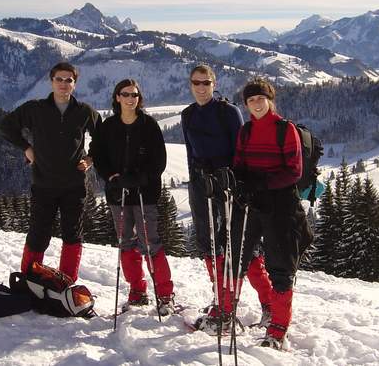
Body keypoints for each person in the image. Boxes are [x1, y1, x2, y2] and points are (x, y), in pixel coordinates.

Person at [181, 64, 273, 331]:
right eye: (196, 83)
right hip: (201, 183)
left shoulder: (228, 112)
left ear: (214, 84)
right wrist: (195, 183)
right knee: (208, 243)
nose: (201, 88)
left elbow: (241, 149)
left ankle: (267, 303)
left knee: (238, 245)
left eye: (206, 83)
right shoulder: (188, 114)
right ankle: (221, 298)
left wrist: (236, 183)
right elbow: (190, 152)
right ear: (190, 85)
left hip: (229, 183)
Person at [0, 62, 100, 282]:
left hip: (74, 185)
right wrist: (27, 148)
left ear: (75, 83)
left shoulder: (84, 111)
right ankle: (29, 280)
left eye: (69, 80)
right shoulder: (35, 109)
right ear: (51, 81)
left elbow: (102, 138)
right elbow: (6, 126)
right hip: (43, 183)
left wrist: (91, 157)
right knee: (38, 234)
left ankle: (67, 282)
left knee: (72, 235)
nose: (64, 84)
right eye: (59, 79)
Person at [233, 77, 312, 350]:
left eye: (260, 99)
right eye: (251, 100)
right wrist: (239, 183)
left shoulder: (284, 129)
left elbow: (294, 171)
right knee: (238, 257)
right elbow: (239, 164)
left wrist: (260, 184)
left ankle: (278, 328)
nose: (256, 104)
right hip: (253, 203)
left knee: (280, 268)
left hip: (281, 206)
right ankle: (228, 309)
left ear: (270, 100)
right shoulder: (245, 132)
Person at [89, 78, 175, 315]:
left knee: (150, 242)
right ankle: (137, 291)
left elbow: (159, 161)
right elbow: (98, 155)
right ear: (117, 97)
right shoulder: (108, 127)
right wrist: (112, 178)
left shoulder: (149, 126)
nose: (130, 99)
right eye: (125, 94)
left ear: (139, 99)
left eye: (134, 95)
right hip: (118, 194)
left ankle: (165, 294)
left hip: (144, 194)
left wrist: (140, 178)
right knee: (126, 241)